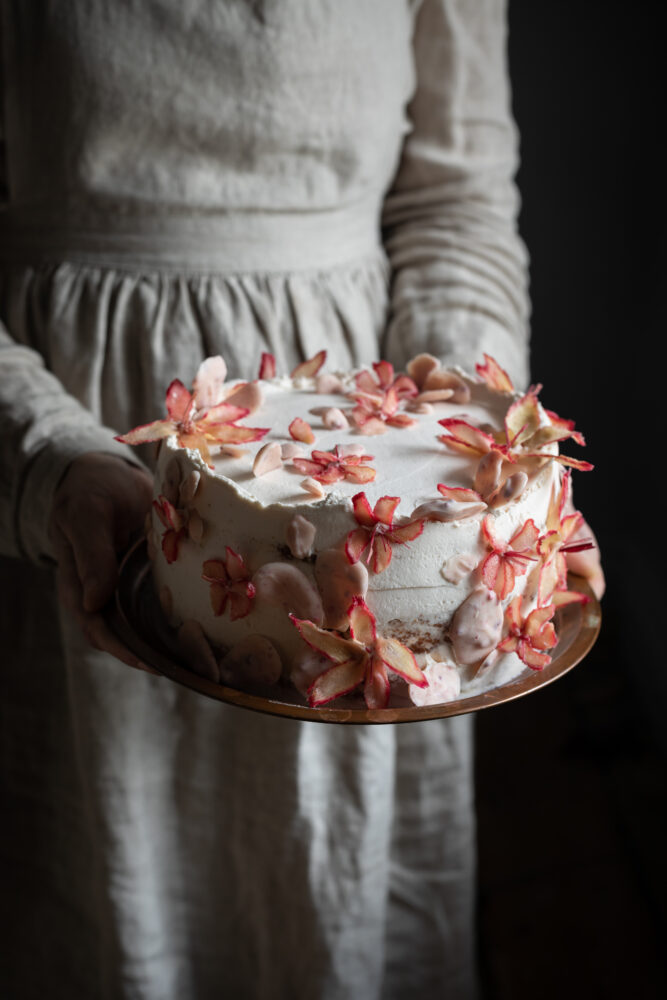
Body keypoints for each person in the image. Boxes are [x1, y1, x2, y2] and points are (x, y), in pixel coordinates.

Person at [0, 3, 603, 998]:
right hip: (78, 452)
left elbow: (455, 199)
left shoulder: (427, 481)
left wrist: (445, 456)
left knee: (333, 915)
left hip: (374, 474)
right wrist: (47, 464)